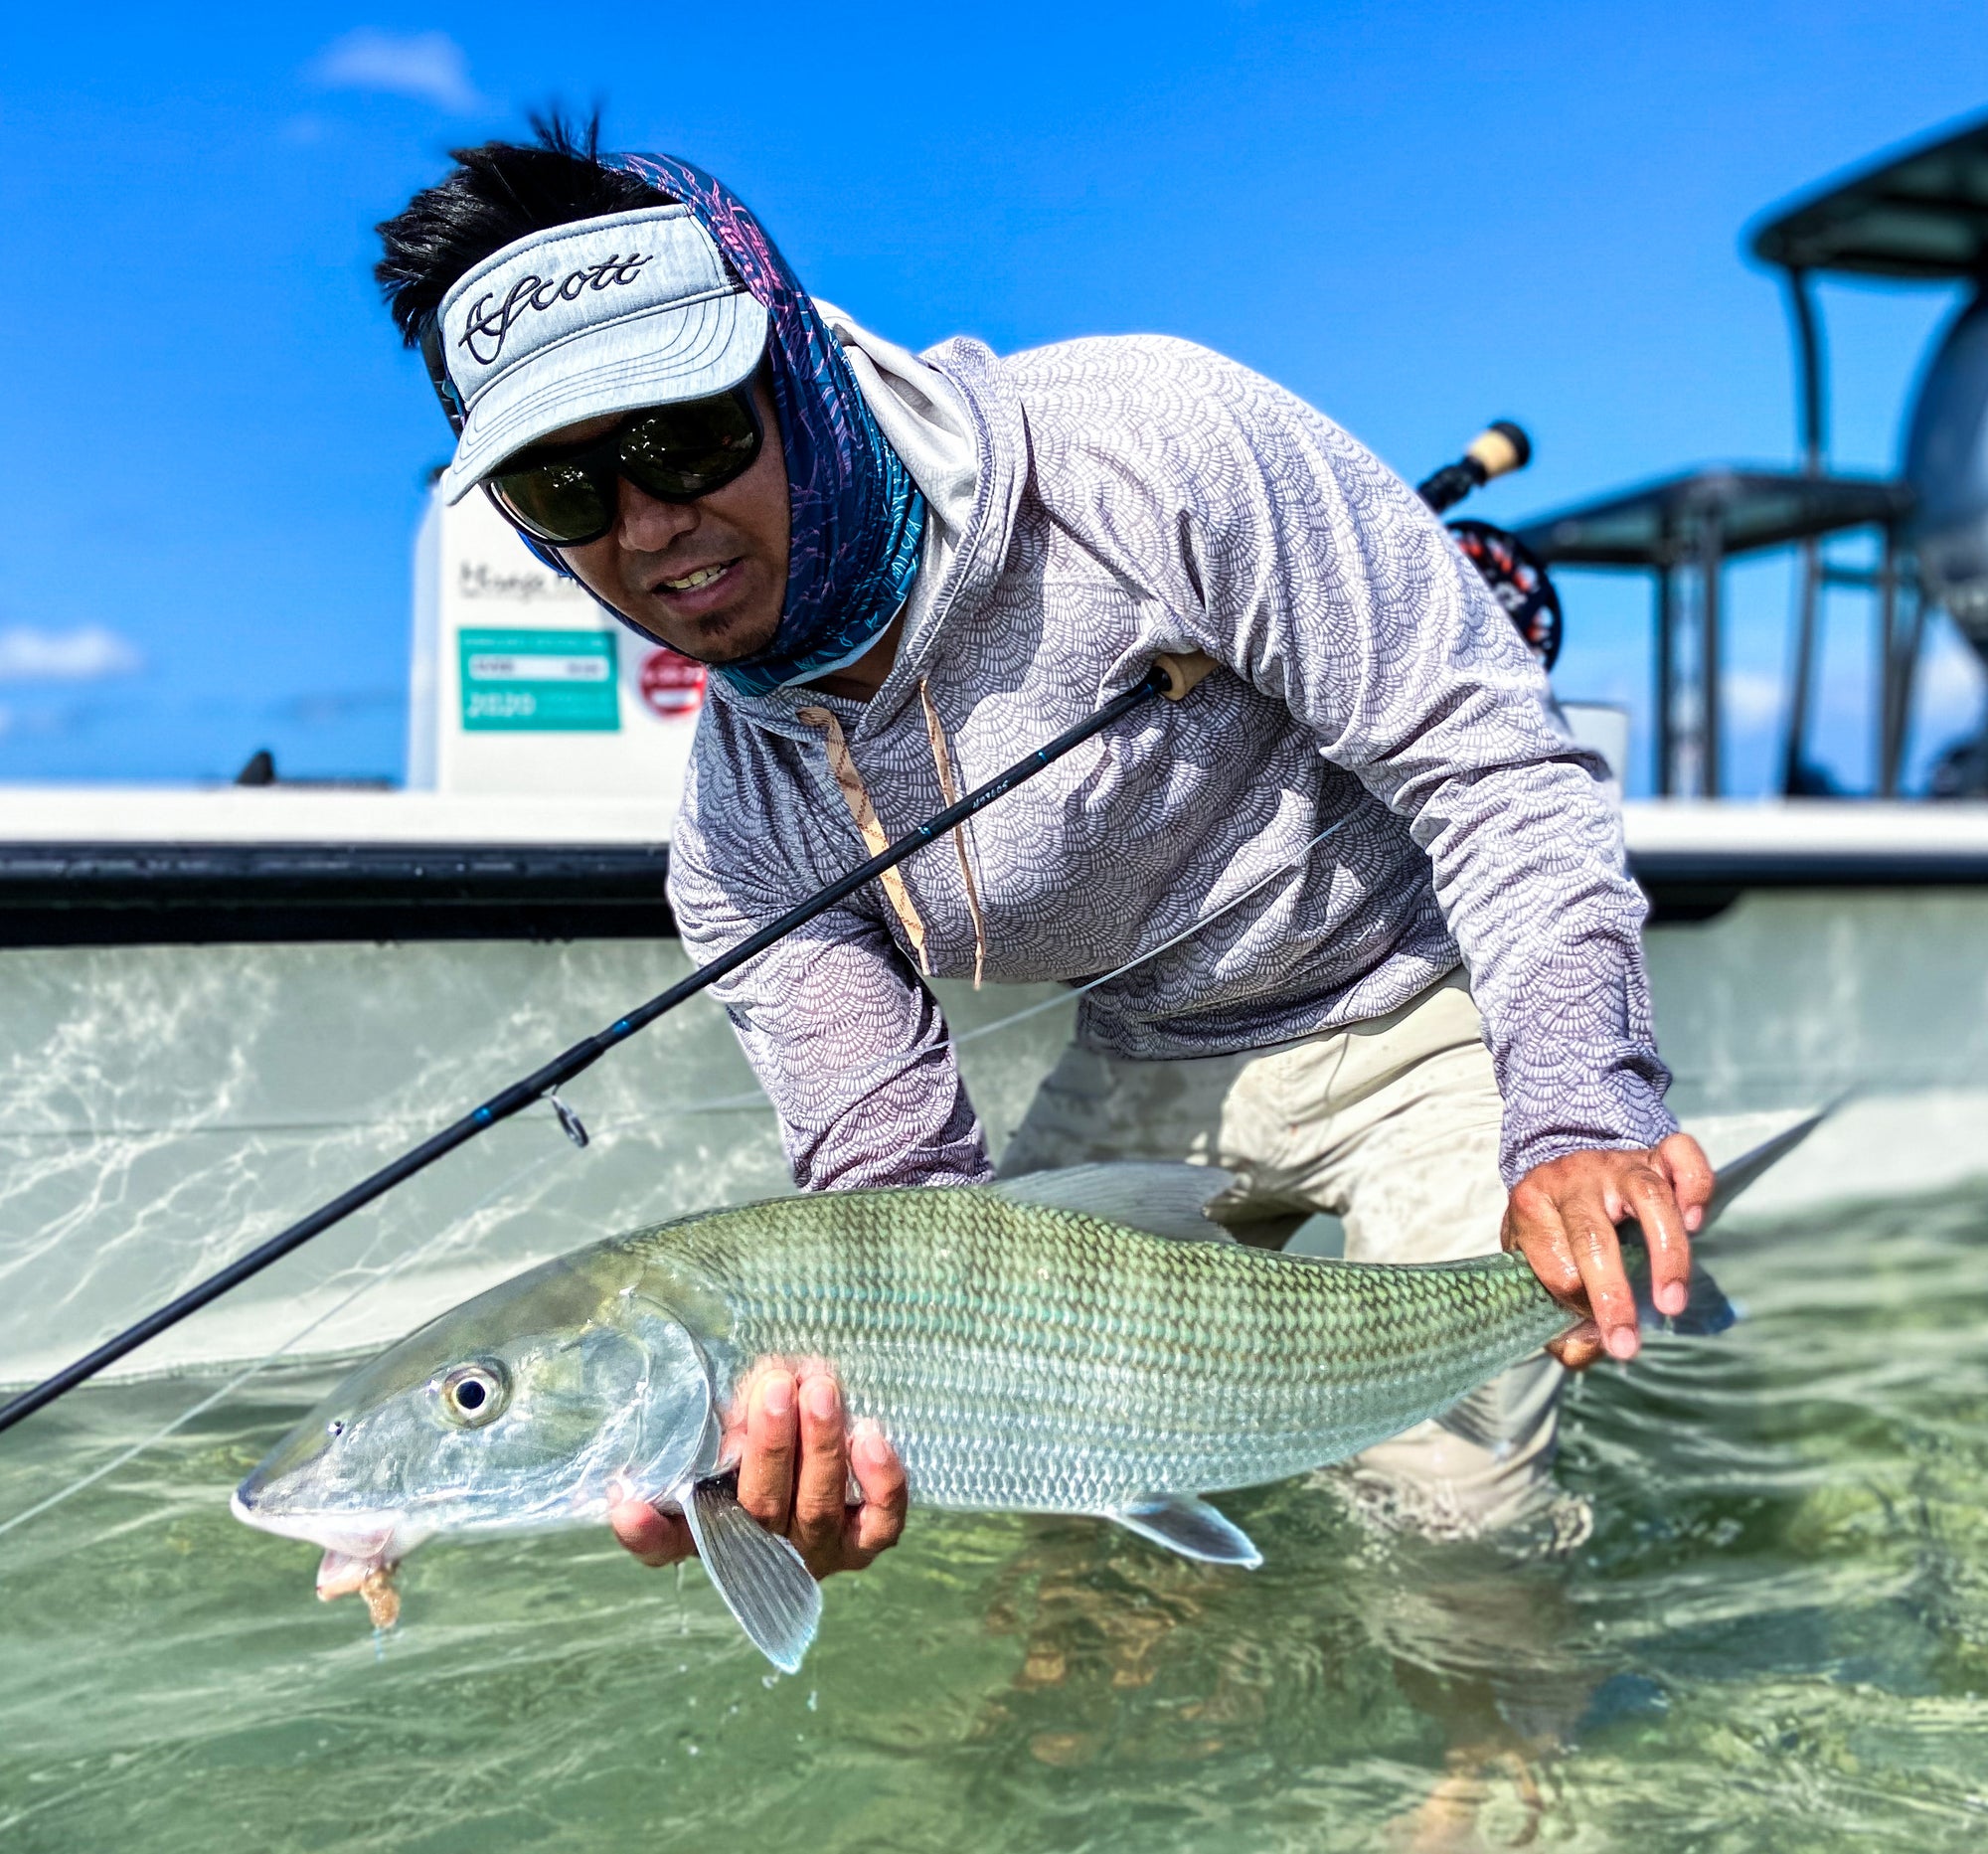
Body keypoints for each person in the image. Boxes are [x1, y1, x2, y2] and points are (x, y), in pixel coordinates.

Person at [375, 117, 1712, 1582]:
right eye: (565, 493)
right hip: (1145, 1056)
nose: (647, 526)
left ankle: (1502, 1782)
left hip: (1417, 996)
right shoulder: (736, 834)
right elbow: (899, 1204)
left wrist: (1581, 1109)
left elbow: (1498, 763)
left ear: (796, 367)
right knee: (1061, 1547)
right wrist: (847, 1457)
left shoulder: (1151, 445)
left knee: (1453, 1525)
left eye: (685, 436)